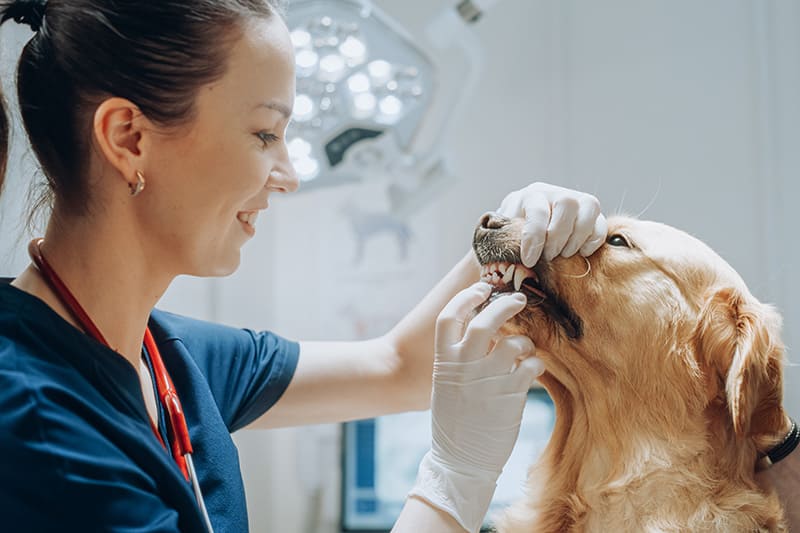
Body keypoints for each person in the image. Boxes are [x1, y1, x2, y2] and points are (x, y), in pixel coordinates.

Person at [0, 1, 608, 532]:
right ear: (129, 138)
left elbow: (395, 366)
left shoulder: (166, 356)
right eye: (265, 134)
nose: (288, 178)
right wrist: (455, 479)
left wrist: (506, 234)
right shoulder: (39, 429)